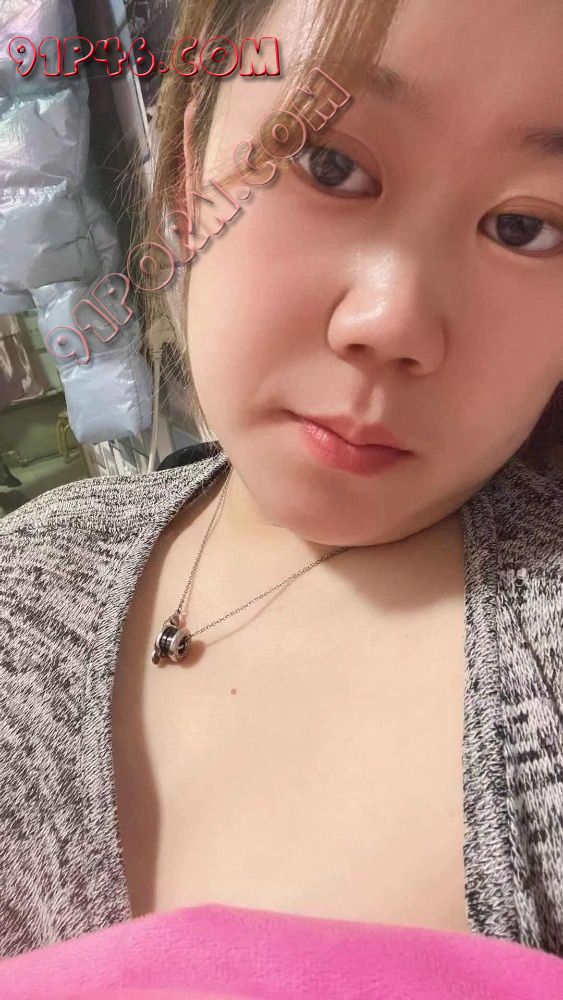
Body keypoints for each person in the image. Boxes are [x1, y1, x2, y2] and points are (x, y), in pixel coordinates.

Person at [0, 0, 561, 965]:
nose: (389, 322)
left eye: (524, 227)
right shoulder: (27, 576)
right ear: (189, 171)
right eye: (329, 164)